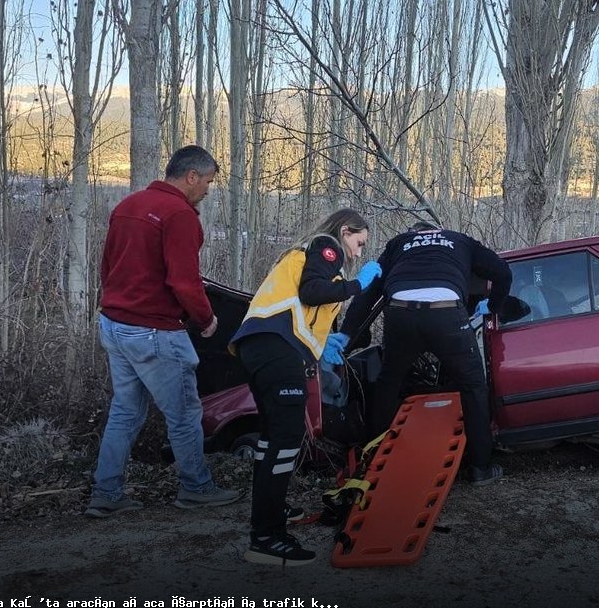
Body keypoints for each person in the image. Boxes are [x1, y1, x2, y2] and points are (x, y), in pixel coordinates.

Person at [86, 145, 240, 518]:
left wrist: (114, 306)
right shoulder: (180, 215)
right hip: (154, 331)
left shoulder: (128, 206)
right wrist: (206, 320)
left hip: (115, 324)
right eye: (207, 182)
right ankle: (196, 487)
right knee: (186, 413)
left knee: (125, 412)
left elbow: (108, 268)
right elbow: (185, 281)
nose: (207, 189)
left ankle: (106, 493)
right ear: (191, 176)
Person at [230, 208, 381, 566]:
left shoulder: (308, 253)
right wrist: (360, 284)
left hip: (261, 347)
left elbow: (306, 305)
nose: (358, 252)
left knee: (271, 441)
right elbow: (313, 292)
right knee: (285, 441)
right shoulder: (326, 247)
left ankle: (273, 511)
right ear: (345, 232)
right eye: (358, 243)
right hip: (276, 348)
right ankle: (266, 538)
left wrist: (323, 342)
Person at [340, 221, 511, 486]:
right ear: (437, 231)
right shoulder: (460, 239)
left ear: (414, 233)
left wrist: (346, 335)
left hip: (400, 314)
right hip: (446, 312)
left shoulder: (399, 243)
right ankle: (480, 468)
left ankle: (372, 459)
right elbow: (502, 272)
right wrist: (493, 305)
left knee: (388, 383)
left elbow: (369, 292)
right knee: (473, 385)